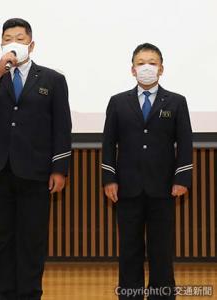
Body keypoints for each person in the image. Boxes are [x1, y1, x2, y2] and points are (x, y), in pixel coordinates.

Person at [0, 18, 72, 300]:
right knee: (1, 239)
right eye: (9, 38)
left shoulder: (53, 80)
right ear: (1, 44)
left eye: (21, 38)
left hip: (36, 172)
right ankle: (5, 293)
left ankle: (30, 293)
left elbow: (62, 127)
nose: (15, 43)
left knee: (32, 239)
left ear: (31, 45)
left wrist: (59, 169)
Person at [102, 43, 193, 300]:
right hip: (127, 188)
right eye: (141, 63)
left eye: (152, 62)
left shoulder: (176, 102)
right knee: (129, 249)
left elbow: (185, 143)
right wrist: (109, 179)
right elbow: (108, 143)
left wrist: (182, 178)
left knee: (160, 250)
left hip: (163, 188)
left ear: (161, 69)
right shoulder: (118, 102)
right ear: (132, 69)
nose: (146, 67)